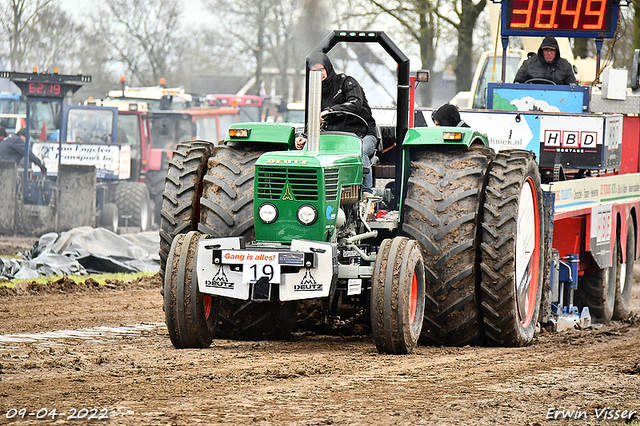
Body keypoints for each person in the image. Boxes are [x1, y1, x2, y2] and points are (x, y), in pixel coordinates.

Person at [295, 52, 378, 195]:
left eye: (321, 69)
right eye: (314, 71)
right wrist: (305, 136)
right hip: (335, 138)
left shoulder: (347, 82)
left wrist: (331, 110)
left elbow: (355, 104)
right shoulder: (316, 92)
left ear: (327, 67)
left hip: (361, 135)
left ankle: (366, 195)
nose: (318, 74)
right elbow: (314, 118)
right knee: (308, 151)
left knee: (360, 151)